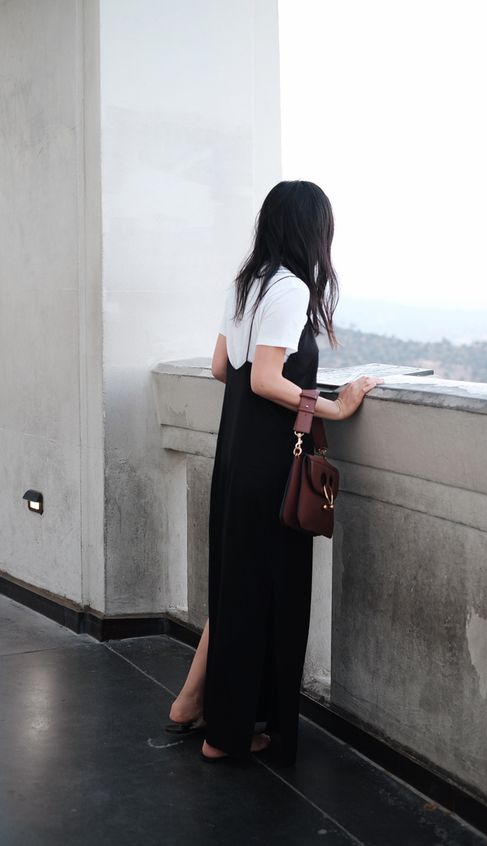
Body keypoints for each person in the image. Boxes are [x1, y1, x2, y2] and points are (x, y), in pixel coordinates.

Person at [167, 180, 383, 764]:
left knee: (236, 588)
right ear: (312, 232)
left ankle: (191, 703)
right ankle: (226, 736)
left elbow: (223, 368)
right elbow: (266, 379)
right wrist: (335, 405)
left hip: (237, 455)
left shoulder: (248, 283)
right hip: (270, 464)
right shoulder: (289, 289)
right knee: (260, 594)